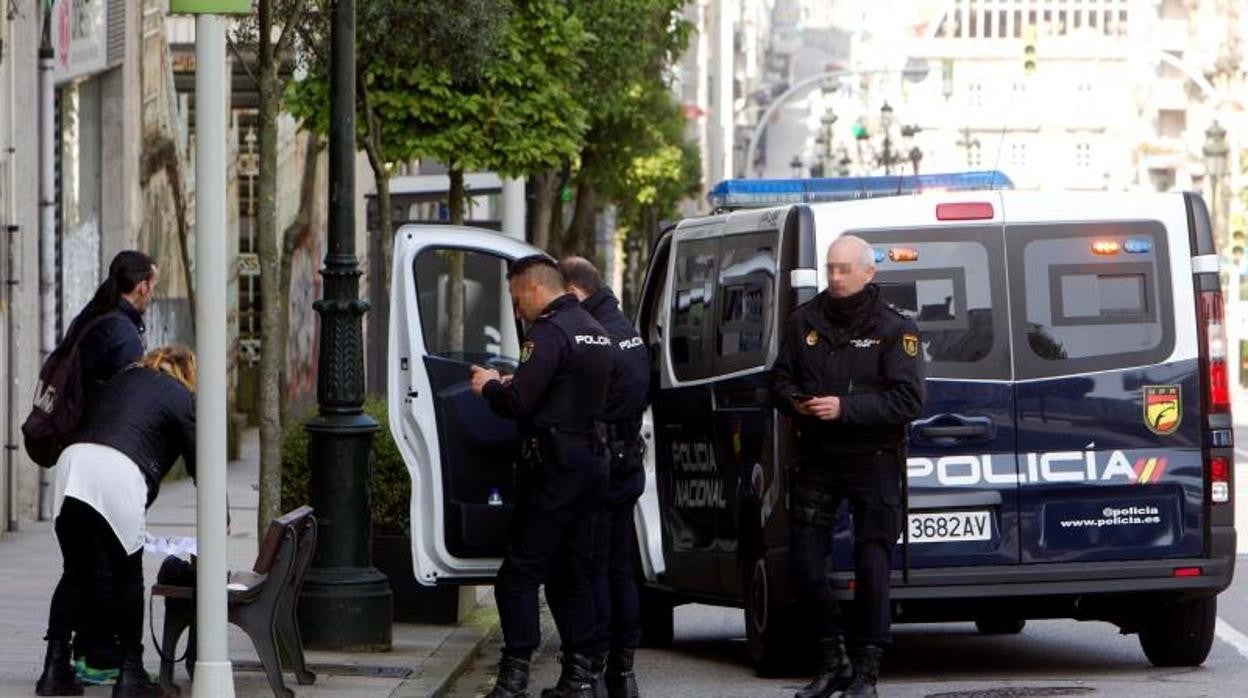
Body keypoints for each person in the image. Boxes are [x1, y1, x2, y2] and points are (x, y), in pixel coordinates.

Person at [770, 235, 925, 698]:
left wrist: (845, 408)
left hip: (872, 458)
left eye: (844, 269)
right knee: (803, 564)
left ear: (868, 272)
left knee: (872, 563)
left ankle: (867, 671)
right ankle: (831, 658)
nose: (835, 277)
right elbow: (779, 378)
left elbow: (908, 400)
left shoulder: (895, 328)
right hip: (817, 455)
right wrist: (796, 403)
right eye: (830, 268)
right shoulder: (805, 321)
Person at [470, 255, 612, 698]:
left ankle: (513, 679)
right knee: (574, 574)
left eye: (517, 299)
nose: (517, 311)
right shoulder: (596, 331)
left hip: (553, 469)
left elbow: (520, 405)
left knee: (519, 573)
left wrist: (491, 386)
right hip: (592, 462)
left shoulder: (548, 333)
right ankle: (579, 678)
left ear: (533, 289)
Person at [37, 345, 196, 698]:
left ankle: (54, 670)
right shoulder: (180, 395)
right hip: (118, 470)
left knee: (75, 571)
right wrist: (223, 515)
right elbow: (201, 461)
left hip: (73, 464)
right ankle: (131, 673)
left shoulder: (122, 379)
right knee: (128, 576)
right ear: (187, 372)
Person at [60, 250, 159, 684]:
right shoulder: (122, 334)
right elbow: (131, 402)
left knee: (81, 564)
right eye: (153, 285)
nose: (153, 294)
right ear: (141, 287)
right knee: (110, 563)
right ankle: (101, 656)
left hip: (75, 457)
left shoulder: (92, 318)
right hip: (105, 458)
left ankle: (76, 655)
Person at [557, 256, 649, 698]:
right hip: (628, 459)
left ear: (573, 292)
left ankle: (588, 671)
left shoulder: (592, 336)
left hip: (600, 463)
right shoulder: (626, 328)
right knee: (620, 569)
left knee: (589, 569)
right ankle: (623, 671)